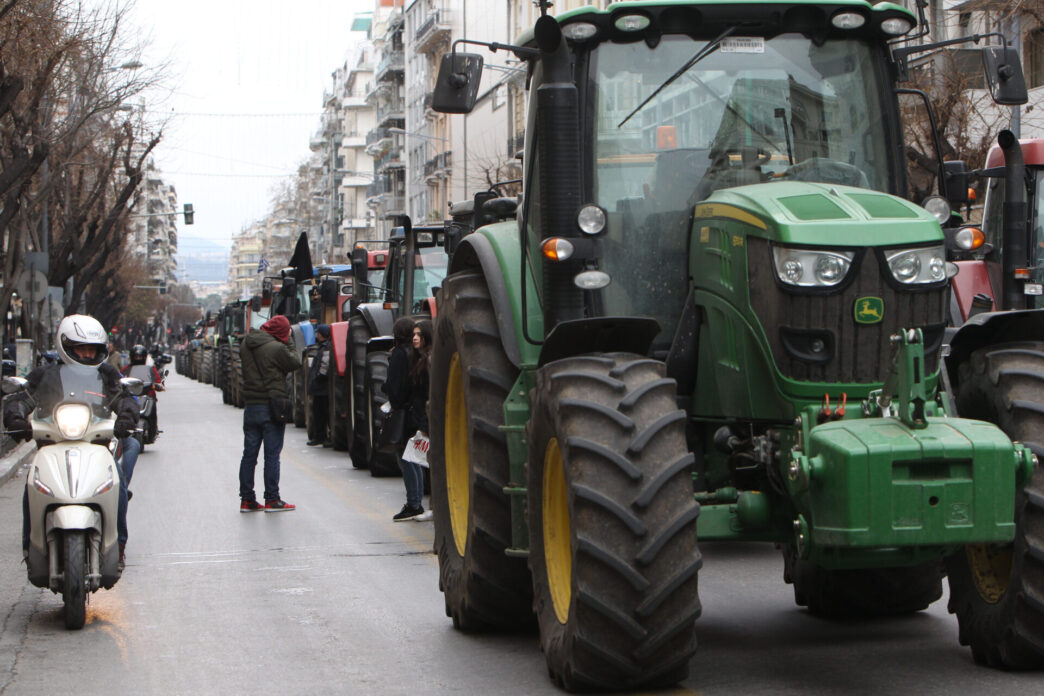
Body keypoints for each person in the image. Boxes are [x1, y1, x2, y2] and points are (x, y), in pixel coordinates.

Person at [3, 315, 138, 570]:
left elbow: (125, 398)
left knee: (117, 483)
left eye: (92, 350)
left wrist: (126, 418)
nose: (87, 355)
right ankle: (30, 549)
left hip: (96, 446)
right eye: (81, 348)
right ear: (66, 346)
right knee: (32, 484)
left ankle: (118, 546)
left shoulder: (107, 374)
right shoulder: (46, 375)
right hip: (53, 444)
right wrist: (16, 418)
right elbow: (22, 398)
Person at [238, 314, 302, 512]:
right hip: (272, 406)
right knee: (272, 456)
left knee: (249, 455)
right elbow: (295, 362)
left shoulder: (245, 344)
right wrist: (290, 340)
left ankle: (247, 500)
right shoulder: (277, 348)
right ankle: (272, 499)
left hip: (251, 406)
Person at [386, 317, 423, 521]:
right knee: (413, 457)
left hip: (404, 412)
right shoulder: (415, 353)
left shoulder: (399, 355)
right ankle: (415, 501)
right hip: (414, 410)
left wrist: (394, 402)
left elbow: (395, 385)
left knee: (405, 457)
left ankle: (413, 503)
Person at [410, 320, 434, 522]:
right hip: (421, 418)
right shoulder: (419, 359)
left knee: (430, 462)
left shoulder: (429, 361)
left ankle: (433, 505)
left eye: (419, 334)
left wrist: (425, 426)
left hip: (427, 420)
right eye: (413, 334)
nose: (415, 338)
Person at [306, 324, 331, 447]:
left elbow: (324, 366)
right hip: (321, 388)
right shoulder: (323, 347)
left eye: (318, 333)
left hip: (322, 388)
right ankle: (320, 436)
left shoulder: (326, 348)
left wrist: (318, 379)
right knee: (319, 413)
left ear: (321, 334)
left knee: (322, 413)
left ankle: (323, 437)